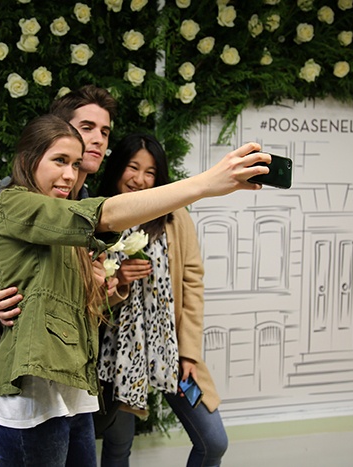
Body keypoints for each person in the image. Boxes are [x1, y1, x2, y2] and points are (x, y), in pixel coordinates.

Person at [0, 115, 271, 466]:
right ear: (28, 159)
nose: (70, 175)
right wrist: (206, 183)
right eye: (59, 161)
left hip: (73, 394)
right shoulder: (14, 203)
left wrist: (101, 285)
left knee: (211, 441)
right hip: (30, 401)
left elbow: (80, 306)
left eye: (75, 164)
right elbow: (102, 216)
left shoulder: (66, 231)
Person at [0, 85, 117, 467]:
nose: (98, 139)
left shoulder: (80, 199)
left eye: (105, 131)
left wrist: (99, 287)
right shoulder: (6, 198)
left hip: (47, 366)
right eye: (87, 127)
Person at [96, 134, 228, 467]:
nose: (140, 179)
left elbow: (192, 282)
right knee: (118, 447)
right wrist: (119, 280)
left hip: (171, 349)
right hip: (117, 355)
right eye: (133, 167)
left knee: (213, 442)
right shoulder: (99, 217)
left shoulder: (174, 215)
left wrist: (189, 353)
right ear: (117, 168)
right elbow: (85, 297)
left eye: (150, 172)